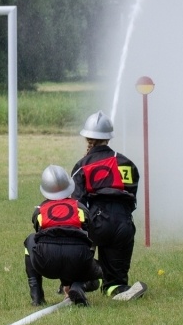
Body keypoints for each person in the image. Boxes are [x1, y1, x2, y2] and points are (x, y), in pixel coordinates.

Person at [70, 111, 146, 301]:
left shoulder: (82, 165)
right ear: (109, 137)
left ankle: (80, 281)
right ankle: (117, 288)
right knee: (115, 280)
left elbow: (76, 205)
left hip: (97, 222)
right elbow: (132, 196)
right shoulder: (127, 163)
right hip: (124, 224)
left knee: (80, 246)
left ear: (87, 137)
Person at [23, 165, 103, 307]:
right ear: (69, 186)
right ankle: (78, 286)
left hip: (47, 261)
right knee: (97, 276)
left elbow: (41, 236)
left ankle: (37, 297)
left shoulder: (39, 211)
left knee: (30, 240)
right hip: (78, 258)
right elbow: (90, 238)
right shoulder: (81, 208)